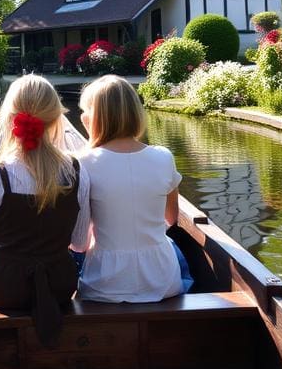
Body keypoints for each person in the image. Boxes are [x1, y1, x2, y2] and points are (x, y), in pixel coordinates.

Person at [0, 74, 90, 346]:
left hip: (3, 288)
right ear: (56, 118)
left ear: (9, 118)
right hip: (59, 284)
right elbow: (79, 244)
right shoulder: (76, 171)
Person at [73, 74, 193, 303]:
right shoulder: (163, 157)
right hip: (162, 281)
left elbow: (80, 243)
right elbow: (171, 218)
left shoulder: (83, 163)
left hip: (105, 285)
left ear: (91, 119)